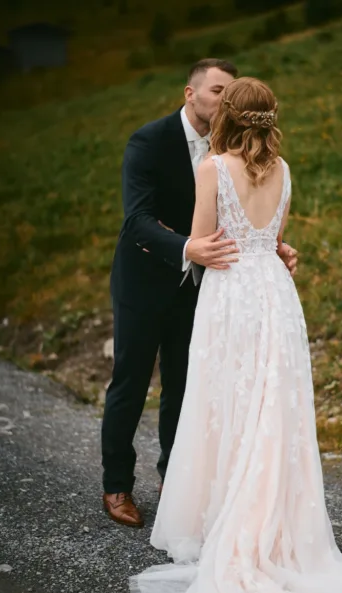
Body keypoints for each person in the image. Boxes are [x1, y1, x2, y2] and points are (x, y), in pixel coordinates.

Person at [129, 77, 342, 593]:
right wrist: (277, 251)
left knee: (225, 403)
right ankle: (277, 524)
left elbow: (202, 241)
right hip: (274, 293)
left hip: (232, 295)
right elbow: (273, 240)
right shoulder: (286, 170)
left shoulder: (212, 167)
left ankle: (230, 524)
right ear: (269, 119)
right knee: (275, 410)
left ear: (228, 116)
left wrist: (202, 246)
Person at [101, 59, 299, 528]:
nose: (223, 99)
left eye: (230, 93)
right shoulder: (149, 141)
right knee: (130, 382)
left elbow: (246, 217)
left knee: (187, 386)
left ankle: (177, 481)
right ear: (190, 94)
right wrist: (189, 247)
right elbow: (137, 220)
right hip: (144, 282)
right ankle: (116, 485)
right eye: (215, 90)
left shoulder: (232, 152)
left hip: (208, 288)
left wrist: (272, 246)